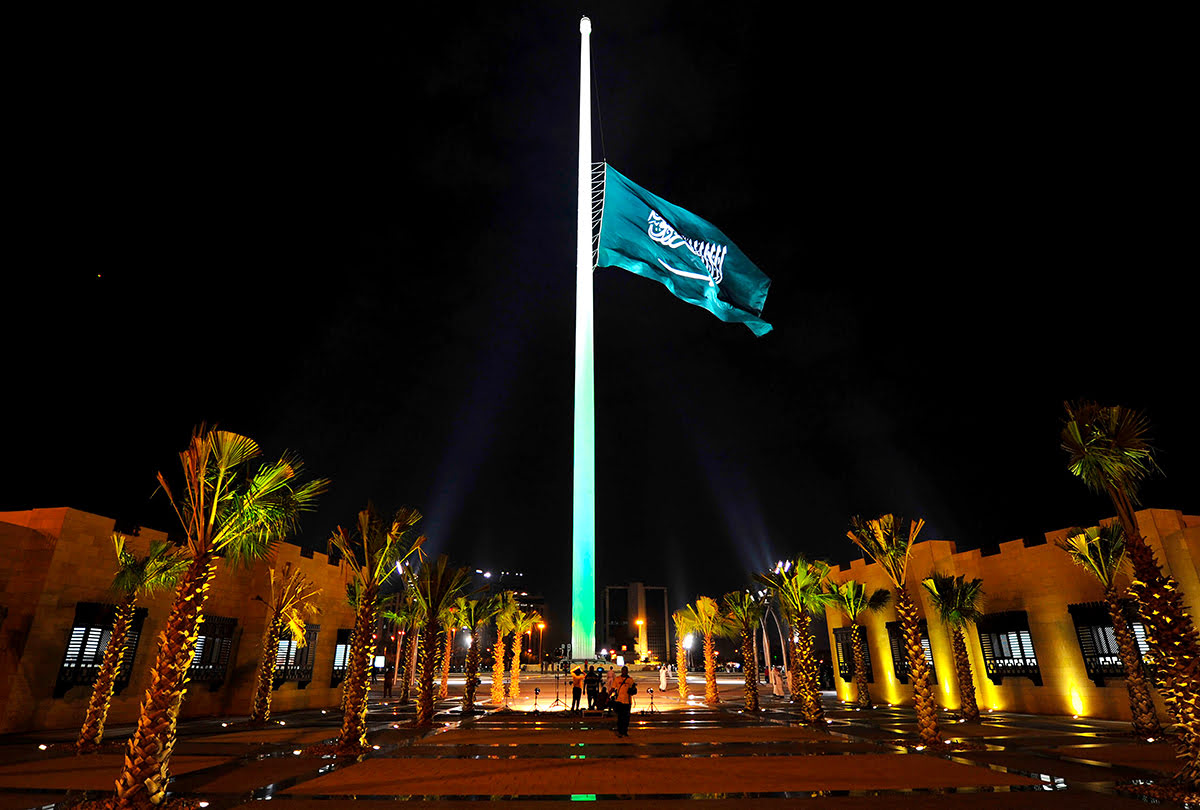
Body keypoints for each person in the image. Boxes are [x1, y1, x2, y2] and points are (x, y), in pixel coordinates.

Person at [611, 666, 636, 737]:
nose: (624, 672)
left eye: (626, 671)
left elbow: (633, 690)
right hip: (619, 700)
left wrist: (633, 690)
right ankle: (620, 731)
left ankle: (625, 731)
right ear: (621, 671)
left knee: (626, 718)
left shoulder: (630, 680)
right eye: (623, 670)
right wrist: (608, 696)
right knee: (620, 717)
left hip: (627, 701)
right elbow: (613, 688)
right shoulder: (617, 679)